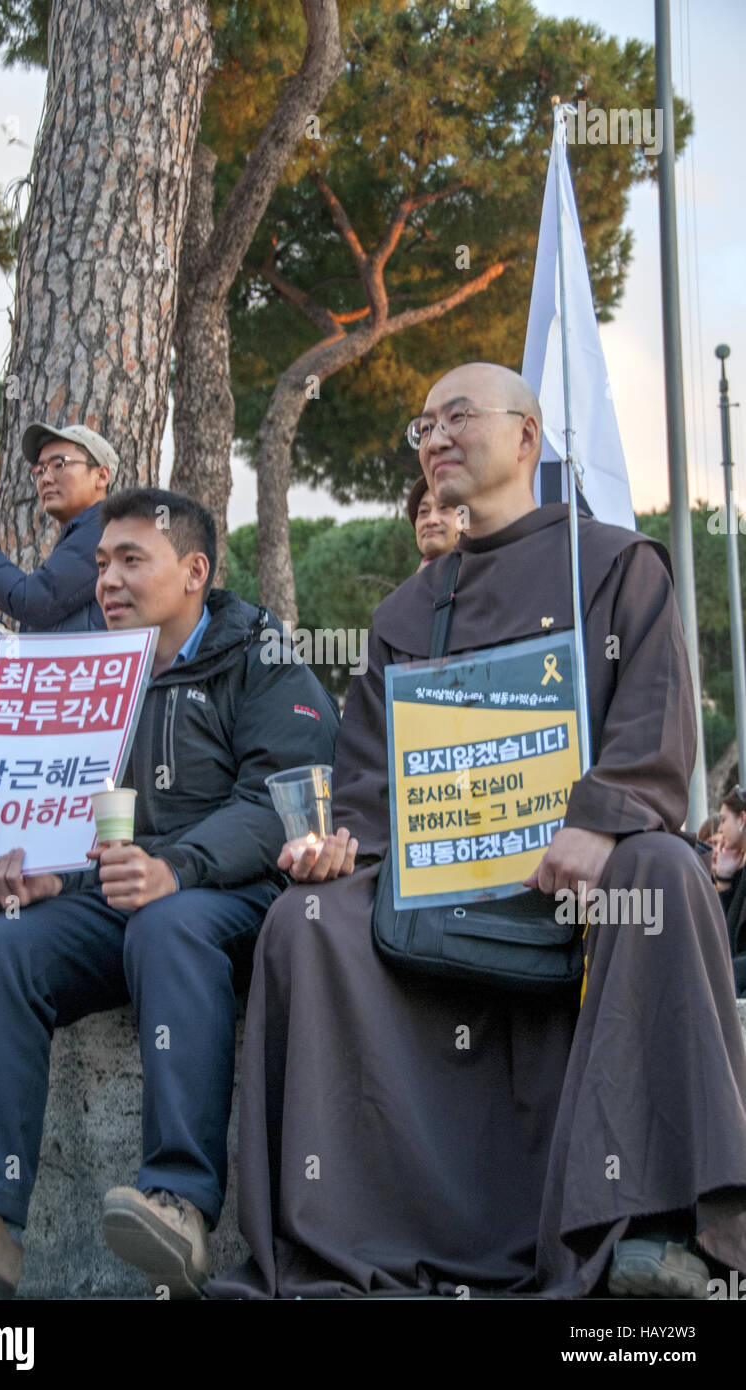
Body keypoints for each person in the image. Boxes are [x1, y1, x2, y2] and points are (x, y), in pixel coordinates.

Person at [207, 362, 746, 1301]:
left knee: (661, 867)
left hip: (580, 888)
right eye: (422, 426)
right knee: (307, 922)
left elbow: (657, 726)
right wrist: (345, 850)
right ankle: (336, 1239)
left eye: (459, 415)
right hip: (442, 893)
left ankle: (652, 1232)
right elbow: (370, 789)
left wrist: (600, 819)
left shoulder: (618, 563)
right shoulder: (402, 613)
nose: (436, 437)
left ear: (527, 437)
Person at [0, 488, 339, 1301]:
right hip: (115, 891)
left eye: (133, 560)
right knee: (5, 943)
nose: (108, 581)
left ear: (194, 571)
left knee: (168, 927)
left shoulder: (261, 656)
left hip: (228, 895)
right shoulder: (88, 666)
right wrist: (50, 865)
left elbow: (277, 794)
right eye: (100, 564)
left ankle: (178, 1206)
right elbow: (55, 795)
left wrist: (180, 867)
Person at [0, 422, 119, 632]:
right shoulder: (82, 536)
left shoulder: (104, 530)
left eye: (59, 464)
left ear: (102, 476)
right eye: (39, 470)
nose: (45, 479)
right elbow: (37, 646)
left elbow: (36, 601)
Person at [711, 788, 746, 995]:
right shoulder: (739, 873)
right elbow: (726, 935)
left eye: (724, 821)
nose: (720, 829)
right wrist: (723, 879)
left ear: (742, 819)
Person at [407, 474, 463, 569]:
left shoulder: (489, 578)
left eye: (444, 507)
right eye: (423, 511)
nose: (431, 520)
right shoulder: (414, 583)